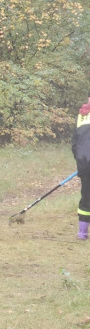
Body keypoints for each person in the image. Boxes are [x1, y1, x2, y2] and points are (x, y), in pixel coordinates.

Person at [73, 93, 90, 240]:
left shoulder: (81, 116)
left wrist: (80, 163)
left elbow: (74, 145)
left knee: (86, 197)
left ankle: (82, 233)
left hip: (85, 165)